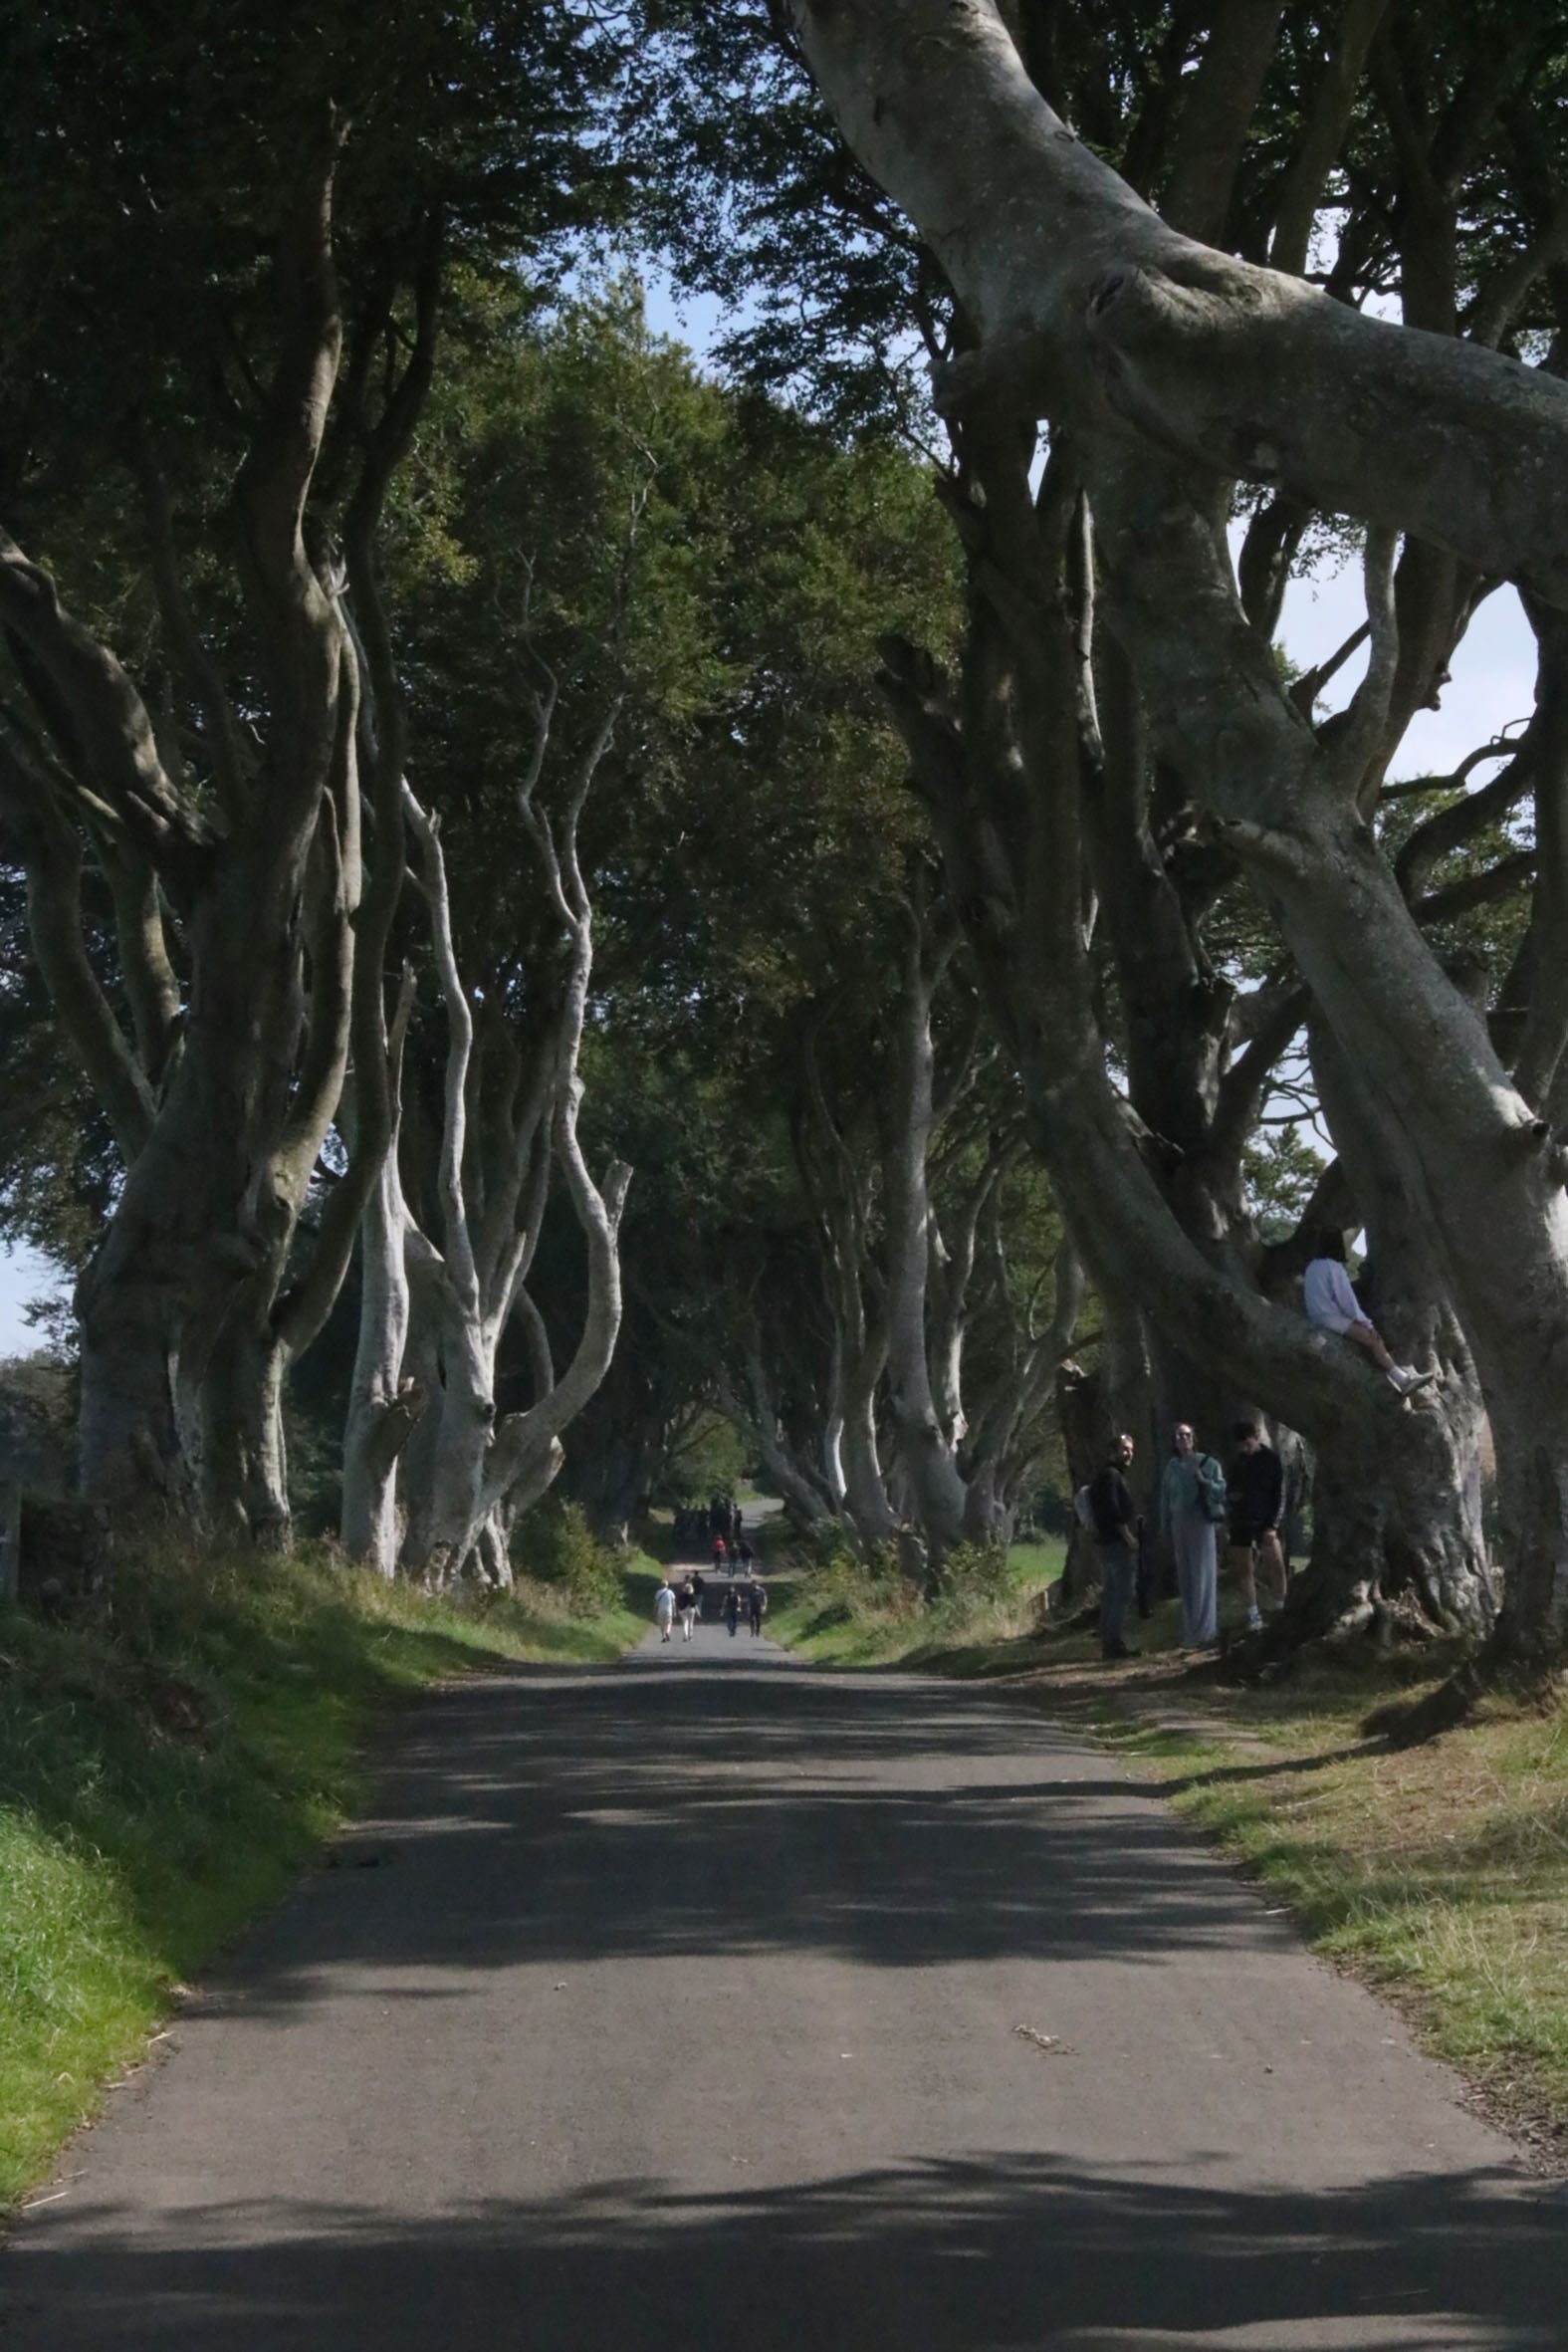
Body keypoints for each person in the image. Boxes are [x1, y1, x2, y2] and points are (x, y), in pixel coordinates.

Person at [1303, 1230, 1432, 1395]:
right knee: (1374, 1340)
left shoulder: (1312, 1267)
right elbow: (1347, 1301)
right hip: (1331, 1319)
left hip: (1315, 1316)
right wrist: (1366, 1323)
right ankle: (1403, 1380)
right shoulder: (1333, 1267)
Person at [1158, 1421, 1221, 1648]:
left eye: (1187, 1435)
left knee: (1202, 1573)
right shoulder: (1172, 1467)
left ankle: (1206, 1630)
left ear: (1193, 1438)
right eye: (1179, 1436)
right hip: (1179, 1523)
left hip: (1200, 1522)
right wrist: (1164, 1525)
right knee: (1185, 1576)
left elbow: (1220, 1490)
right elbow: (1165, 1497)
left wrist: (1204, 1481)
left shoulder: (1208, 1463)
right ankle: (1191, 1630)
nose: (1183, 1439)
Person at [1226, 1421, 1287, 1633]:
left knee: (1276, 1563)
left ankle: (1280, 1607)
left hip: (1265, 1519)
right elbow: (1230, 1489)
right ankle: (1253, 1613)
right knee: (1245, 1567)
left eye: (1248, 1443)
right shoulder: (1238, 1463)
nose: (1245, 1448)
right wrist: (1233, 1497)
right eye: (1241, 1445)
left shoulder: (1271, 1460)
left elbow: (1279, 1494)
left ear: (1256, 1437)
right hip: (1242, 1518)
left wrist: (1273, 1524)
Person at [1088, 1433, 1141, 1661]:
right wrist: (1128, 1537)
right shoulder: (1111, 1476)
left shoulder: (1105, 1475)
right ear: (1113, 1452)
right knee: (1123, 1592)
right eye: (1124, 1449)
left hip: (1106, 1543)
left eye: (1131, 1449)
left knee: (1111, 1592)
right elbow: (1113, 1510)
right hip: (1116, 1543)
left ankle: (1108, 1641)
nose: (1128, 1454)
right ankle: (1113, 1643)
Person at [654, 1576, 676, 1644]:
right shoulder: (670, 1592)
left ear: (661, 1585)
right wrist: (674, 1611)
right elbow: (673, 1602)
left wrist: (654, 1610)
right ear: (667, 1585)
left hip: (660, 1610)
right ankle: (667, 1632)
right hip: (668, 1610)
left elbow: (656, 1602)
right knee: (669, 1622)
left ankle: (663, 1637)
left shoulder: (658, 1592)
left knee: (662, 1624)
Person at [678, 1575, 700, 1642]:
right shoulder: (693, 1596)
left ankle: (685, 1636)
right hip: (691, 1610)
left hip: (683, 1610)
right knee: (691, 1623)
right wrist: (698, 1613)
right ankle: (690, 1636)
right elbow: (695, 1605)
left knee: (685, 1623)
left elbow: (679, 1603)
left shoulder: (682, 1596)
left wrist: (679, 1610)